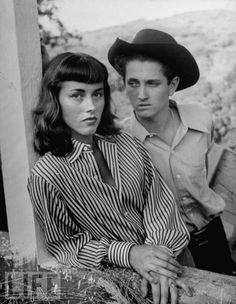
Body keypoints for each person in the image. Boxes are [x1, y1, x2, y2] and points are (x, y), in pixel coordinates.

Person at [27, 52, 192, 304]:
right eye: (77, 95)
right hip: (123, 288)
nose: (91, 106)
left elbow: (159, 202)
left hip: (175, 262)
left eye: (97, 93)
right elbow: (67, 247)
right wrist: (130, 254)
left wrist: (159, 259)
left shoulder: (126, 142)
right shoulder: (47, 175)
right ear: (55, 99)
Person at [108, 28, 236, 276]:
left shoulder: (201, 119)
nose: (141, 95)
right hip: (165, 251)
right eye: (133, 83)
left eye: (153, 83)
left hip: (213, 233)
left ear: (172, 85)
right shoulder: (121, 142)